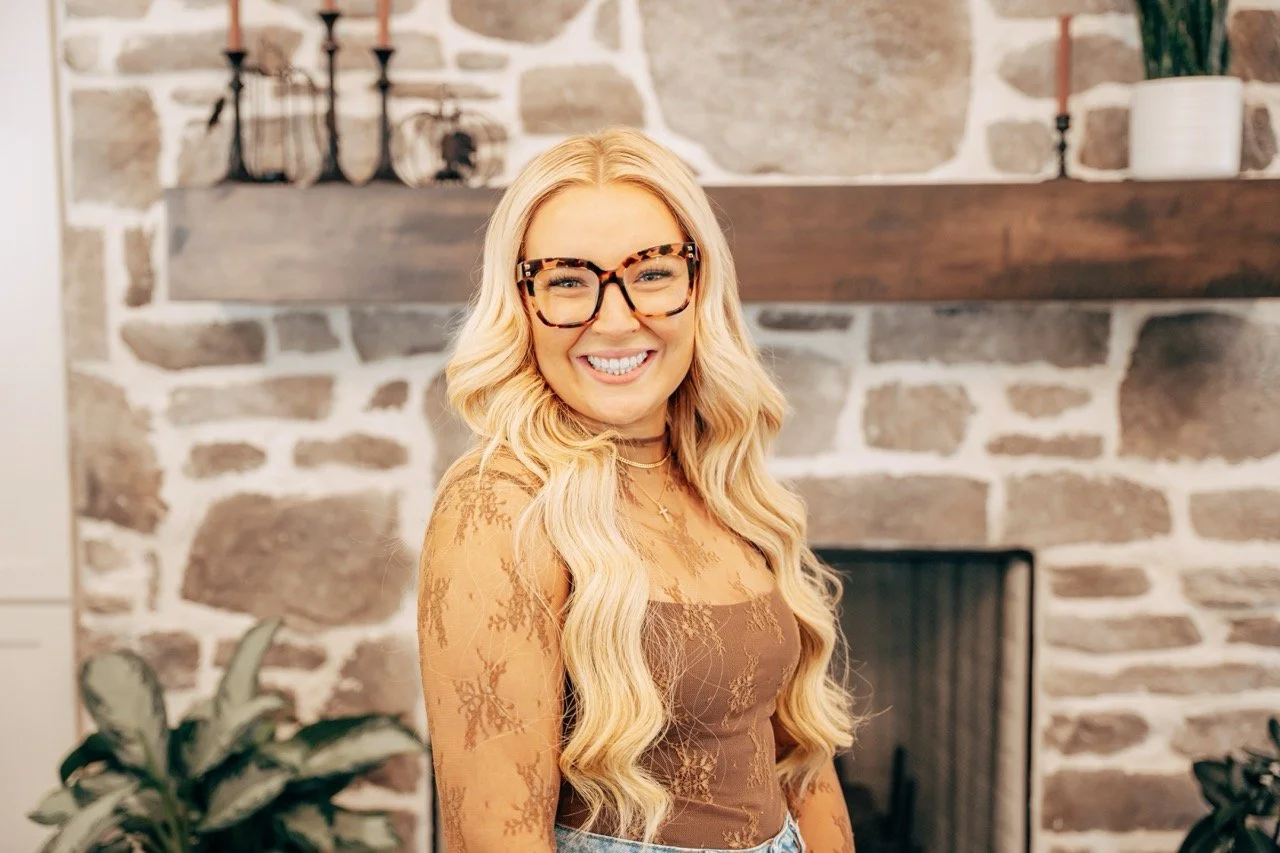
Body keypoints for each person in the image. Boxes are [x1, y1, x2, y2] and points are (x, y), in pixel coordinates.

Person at [417, 127, 860, 853]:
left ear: (697, 285)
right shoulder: (499, 505)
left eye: (651, 273)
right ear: (522, 303)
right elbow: (494, 838)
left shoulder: (716, 475)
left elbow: (798, 762)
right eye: (568, 281)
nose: (617, 320)